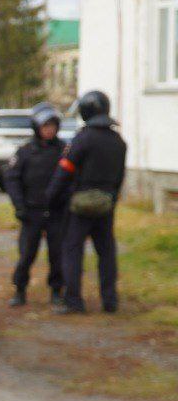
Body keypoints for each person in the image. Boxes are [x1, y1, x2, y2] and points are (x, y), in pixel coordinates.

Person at [47, 89, 128, 314]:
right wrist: (111, 198)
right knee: (107, 253)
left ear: (85, 111)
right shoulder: (118, 141)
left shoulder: (82, 140)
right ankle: (110, 301)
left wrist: (50, 198)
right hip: (106, 205)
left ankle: (74, 301)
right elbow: (120, 176)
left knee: (72, 251)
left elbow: (64, 171)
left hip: (80, 206)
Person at [2, 101, 67, 307]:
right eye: (45, 126)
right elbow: (12, 179)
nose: (49, 130)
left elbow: (71, 179)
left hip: (56, 212)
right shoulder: (25, 152)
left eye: (52, 126)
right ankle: (20, 289)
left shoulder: (64, 150)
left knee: (57, 254)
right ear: (36, 128)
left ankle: (57, 291)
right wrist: (19, 205)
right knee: (26, 254)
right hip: (31, 212)